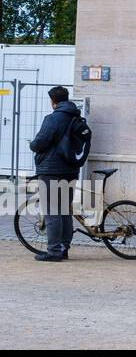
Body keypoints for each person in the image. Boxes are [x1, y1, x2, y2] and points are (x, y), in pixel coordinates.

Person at [28, 86, 81, 262]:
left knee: (52, 211)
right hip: (71, 170)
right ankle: (64, 247)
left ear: (53, 102)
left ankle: (54, 252)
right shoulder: (76, 117)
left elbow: (40, 142)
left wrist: (33, 145)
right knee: (65, 210)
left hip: (52, 170)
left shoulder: (52, 119)